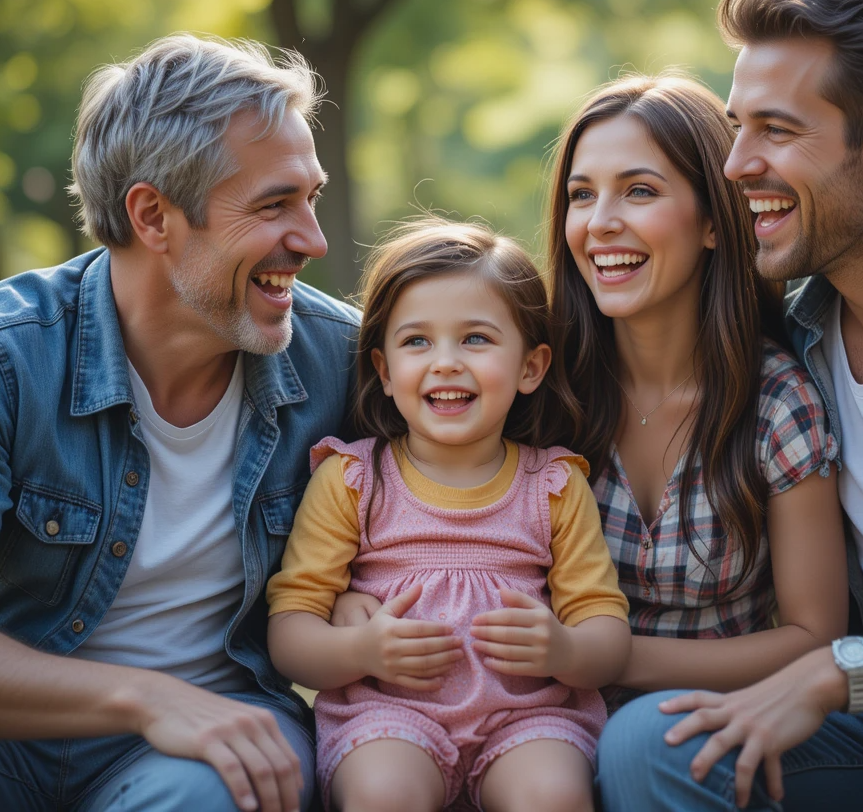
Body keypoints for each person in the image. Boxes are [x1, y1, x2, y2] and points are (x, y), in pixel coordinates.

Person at [595, 0, 863, 811]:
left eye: (775, 131)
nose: (737, 164)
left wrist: (834, 671)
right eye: (738, 126)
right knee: (657, 745)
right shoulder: (797, 323)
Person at [0, 34, 360, 812]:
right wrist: (147, 698)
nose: (314, 242)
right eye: (274, 205)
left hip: (213, 747)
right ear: (153, 215)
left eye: (311, 198)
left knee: (216, 792)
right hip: (5, 742)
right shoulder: (4, 364)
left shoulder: (346, 362)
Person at [264, 219, 632, 812]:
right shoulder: (353, 480)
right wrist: (362, 651)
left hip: (529, 718)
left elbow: (608, 636)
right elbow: (290, 632)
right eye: (417, 342)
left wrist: (565, 650)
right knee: (383, 794)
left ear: (531, 368)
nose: (445, 363)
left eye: (476, 339)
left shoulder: (555, 485)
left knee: (554, 795)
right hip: (387, 715)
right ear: (384, 372)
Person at [542, 75, 846, 716]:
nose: (600, 224)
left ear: (713, 221)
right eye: (581, 195)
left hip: (710, 730)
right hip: (540, 728)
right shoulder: (541, 390)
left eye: (640, 191)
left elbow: (816, 639)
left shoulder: (776, 402)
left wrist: (602, 657)